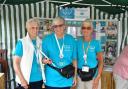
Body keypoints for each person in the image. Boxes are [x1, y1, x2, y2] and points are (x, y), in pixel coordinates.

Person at [13, 17, 51, 89]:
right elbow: (16, 63)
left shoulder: (40, 42)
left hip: (39, 79)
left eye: (37, 28)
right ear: (27, 28)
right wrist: (22, 80)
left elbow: (39, 60)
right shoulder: (22, 42)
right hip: (26, 81)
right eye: (32, 28)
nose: (35, 30)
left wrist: (44, 61)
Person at [42, 17, 77, 89]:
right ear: (53, 27)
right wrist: (44, 61)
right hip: (51, 80)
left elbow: (74, 60)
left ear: (64, 26)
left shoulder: (71, 39)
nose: (58, 28)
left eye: (60, 25)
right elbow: (42, 59)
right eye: (55, 26)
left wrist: (75, 76)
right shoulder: (47, 40)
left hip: (67, 79)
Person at [76, 19, 104, 89]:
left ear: (92, 30)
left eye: (88, 28)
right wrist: (75, 76)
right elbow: (74, 59)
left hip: (93, 76)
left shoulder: (96, 43)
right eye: (84, 28)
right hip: (79, 76)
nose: (86, 30)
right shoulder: (77, 43)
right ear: (81, 30)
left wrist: (98, 77)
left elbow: (101, 61)